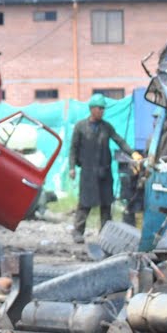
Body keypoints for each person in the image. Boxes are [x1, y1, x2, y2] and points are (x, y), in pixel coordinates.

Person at [66, 93, 131, 243]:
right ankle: (78, 232)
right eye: (99, 108)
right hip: (88, 172)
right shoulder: (81, 127)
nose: (102, 111)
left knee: (106, 204)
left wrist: (133, 153)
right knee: (85, 203)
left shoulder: (106, 127)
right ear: (91, 109)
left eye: (103, 109)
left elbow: (119, 140)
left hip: (105, 172)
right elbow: (73, 148)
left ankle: (105, 234)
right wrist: (72, 167)